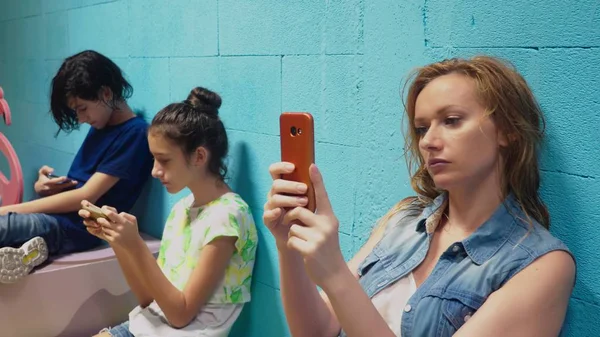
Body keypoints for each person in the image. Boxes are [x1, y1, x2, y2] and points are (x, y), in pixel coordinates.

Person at [263, 56, 576, 336]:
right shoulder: (403, 221)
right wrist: (287, 245)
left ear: (507, 131)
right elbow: (315, 331)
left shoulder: (542, 266)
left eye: (451, 121)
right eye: (422, 128)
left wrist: (334, 273)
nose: (428, 142)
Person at [80, 87, 258, 337]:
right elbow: (149, 301)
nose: (154, 171)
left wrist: (137, 245)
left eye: (163, 160)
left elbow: (180, 316)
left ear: (199, 156)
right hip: (146, 326)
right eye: (153, 159)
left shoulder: (228, 216)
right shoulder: (181, 209)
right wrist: (119, 242)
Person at [0, 50, 153, 284]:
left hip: (76, 230)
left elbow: (86, 195)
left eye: (82, 108)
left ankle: (32, 250)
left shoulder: (135, 134)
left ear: (106, 93)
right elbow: (80, 184)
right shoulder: (101, 125)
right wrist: (48, 185)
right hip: (59, 220)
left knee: (6, 224)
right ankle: (27, 252)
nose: (81, 118)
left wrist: (12, 209)